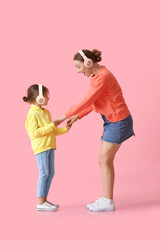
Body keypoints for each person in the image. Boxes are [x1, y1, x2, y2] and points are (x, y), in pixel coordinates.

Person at [53, 49, 135, 212]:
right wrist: (78, 116)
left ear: (88, 63)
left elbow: (88, 99)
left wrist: (64, 116)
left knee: (104, 160)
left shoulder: (103, 77)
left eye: (78, 66)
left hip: (118, 121)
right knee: (104, 160)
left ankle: (108, 201)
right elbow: (94, 101)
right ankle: (107, 199)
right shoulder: (97, 77)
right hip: (113, 120)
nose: (78, 71)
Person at [23, 84, 71, 211]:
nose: (48, 99)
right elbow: (35, 132)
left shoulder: (45, 112)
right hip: (41, 147)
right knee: (44, 173)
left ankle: (44, 200)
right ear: (38, 97)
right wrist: (51, 126)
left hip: (49, 145)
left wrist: (65, 129)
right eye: (46, 96)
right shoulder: (32, 113)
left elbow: (52, 130)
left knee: (51, 172)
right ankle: (40, 202)